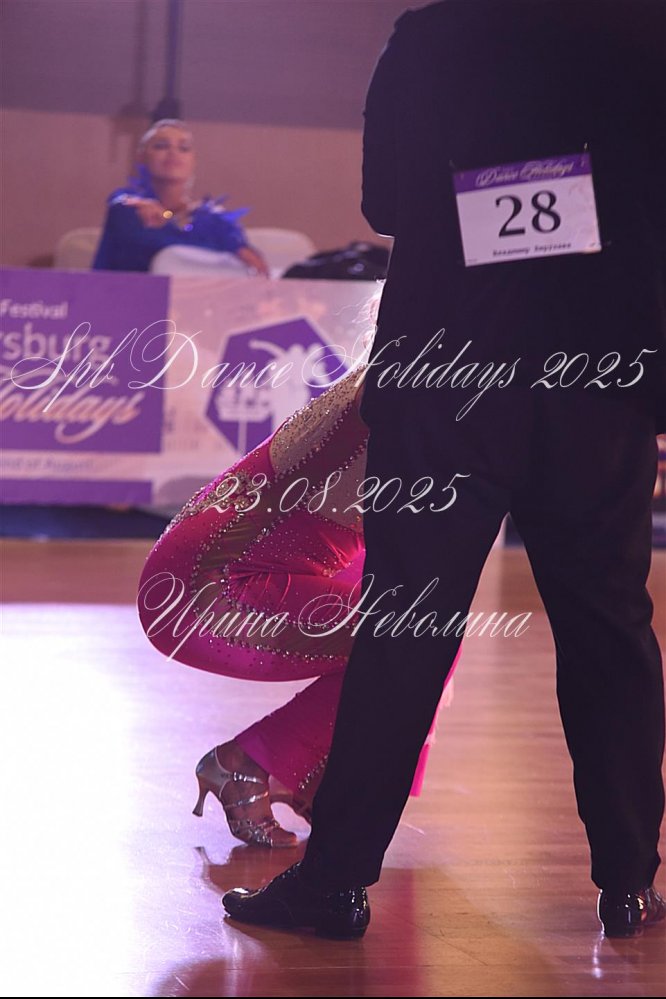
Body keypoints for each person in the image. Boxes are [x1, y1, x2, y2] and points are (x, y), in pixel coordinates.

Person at [221, 0, 666, 939]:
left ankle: (335, 882)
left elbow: (385, 203)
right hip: (600, 383)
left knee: (406, 628)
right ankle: (630, 882)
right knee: (611, 630)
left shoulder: (432, 33)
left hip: (448, 374)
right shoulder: (647, 32)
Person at [137, 357, 458, 847]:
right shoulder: (408, 385)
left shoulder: (423, 379)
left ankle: (301, 778)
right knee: (415, 638)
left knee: (423, 632)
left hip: (235, 565)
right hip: (203, 589)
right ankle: (251, 765)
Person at [92, 119, 269, 275]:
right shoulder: (128, 207)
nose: (173, 152)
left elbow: (255, 267)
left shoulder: (218, 222)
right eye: (161, 146)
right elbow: (163, 249)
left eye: (183, 148)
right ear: (141, 157)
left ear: (194, 160)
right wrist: (225, 245)